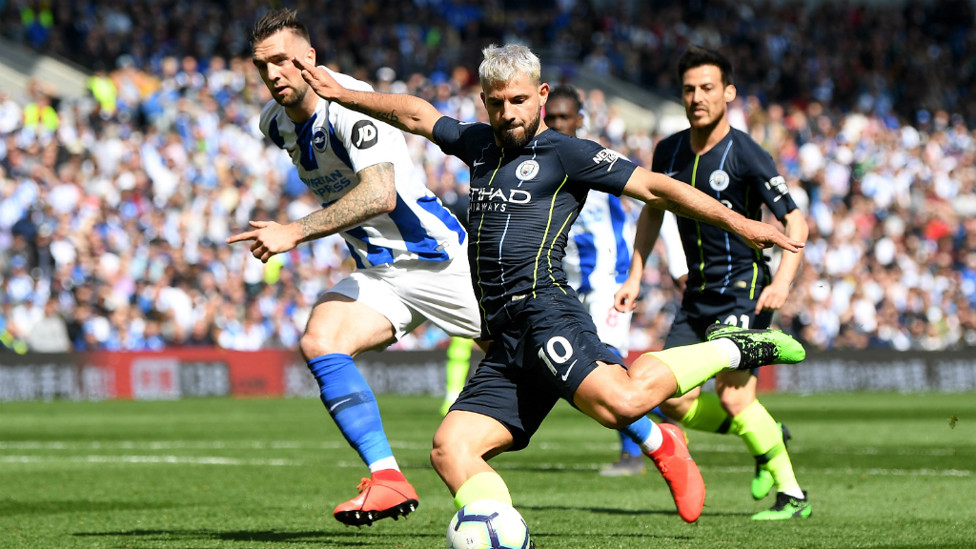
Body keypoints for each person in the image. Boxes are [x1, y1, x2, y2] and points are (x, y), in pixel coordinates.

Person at [295, 43, 806, 525]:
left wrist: (739, 223)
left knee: (624, 403)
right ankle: (501, 532)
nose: (509, 113)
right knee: (450, 449)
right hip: (505, 334)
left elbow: (655, 187)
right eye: (497, 103)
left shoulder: (567, 154)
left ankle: (732, 351)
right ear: (485, 102)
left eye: (519, 100)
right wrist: (344, 95)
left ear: (540, 96)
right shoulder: (478, 145)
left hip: (546, 312)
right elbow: (417, 115)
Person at [229, 8, 483, 527]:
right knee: (320, 339)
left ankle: (654, 437)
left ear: (309, 59)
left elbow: (381, 193)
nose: (273, 74)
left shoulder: (348, 102)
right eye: (262, 66)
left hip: (439, 261)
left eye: (282, 61)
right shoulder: (274, 124)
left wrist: (293, 231)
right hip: (382, 274)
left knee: (557, 370)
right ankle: (388, 477)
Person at [615, 45, 812, 520]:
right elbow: (652, 213)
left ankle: (792, 494)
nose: (697, 97)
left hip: (745, 288)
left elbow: (797, 221)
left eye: (707, 88)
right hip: (697, 295)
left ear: (728, 93)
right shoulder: (669, 151)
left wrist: (782, 282)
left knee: (733, 395)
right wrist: (636, 275)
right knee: (675, 403)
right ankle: (764, 435)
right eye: (689, 89)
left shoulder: (745, 151)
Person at [544, 84, 689, 477]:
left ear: (580, 120)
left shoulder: (596, 162)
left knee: (607, 366)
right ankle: (675, 417)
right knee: (584, 376)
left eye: (563, 118)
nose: (557, 124)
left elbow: (658, 203)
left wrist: (677, 267)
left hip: (610, 283)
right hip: (568, 288)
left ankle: (633, 453)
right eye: (550, 118)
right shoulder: (539, 164)